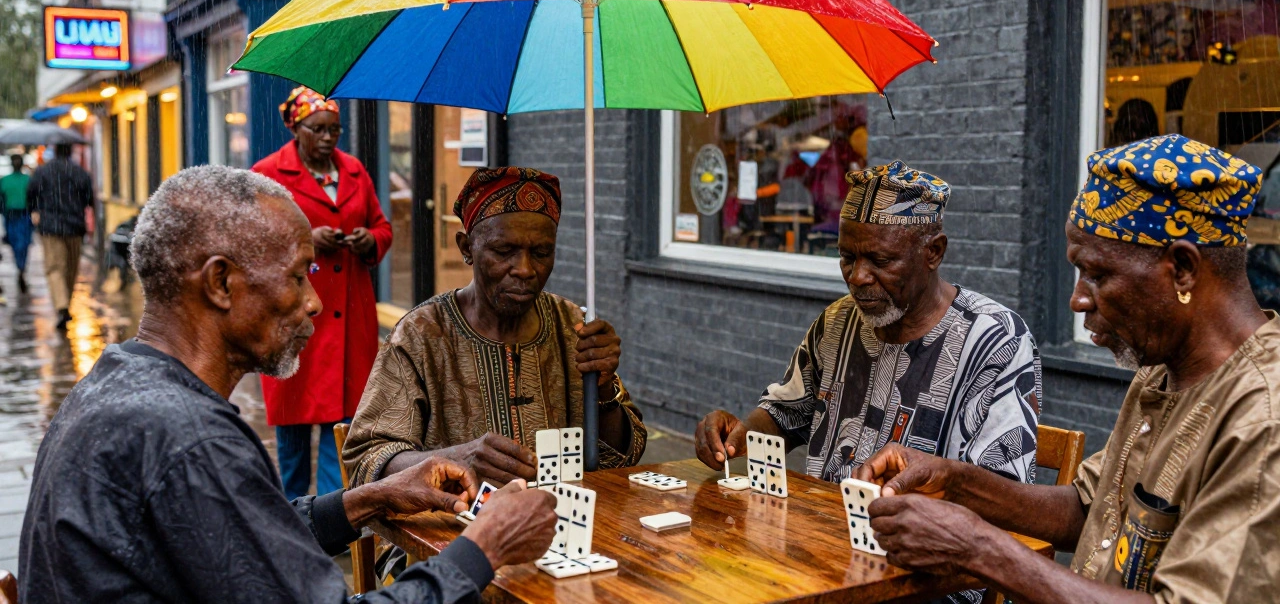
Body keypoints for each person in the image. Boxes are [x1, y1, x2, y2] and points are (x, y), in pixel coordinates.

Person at [19, 166, 557, 603]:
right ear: (220, 282)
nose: (314, 302)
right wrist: (485, 548)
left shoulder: (119, 381)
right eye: (299, 276)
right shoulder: (190, 439)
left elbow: (239, 540)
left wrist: (367, 499)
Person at [855, 135, 1279, 603]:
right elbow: (1090, 508)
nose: (1077, 298)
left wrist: (979, 549)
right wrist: (955, 481)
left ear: (1181, 268)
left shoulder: (1264, 420)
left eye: (1097, 274)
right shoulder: (1163, 371)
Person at [695, 160, 1042, 484]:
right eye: (847, 257)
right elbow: (786, 416)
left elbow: (1005, 492)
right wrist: (739, 434)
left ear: (933, 252)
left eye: (880, 260)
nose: (858, 277)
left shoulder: (997, 341)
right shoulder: (837, 321)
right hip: (825, 533)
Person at [344, 166, 647, 488]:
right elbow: (367, 460)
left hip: (562, 526)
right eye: (504, 251)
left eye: (542, 253)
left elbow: (624, 458)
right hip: (447, 530)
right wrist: (454, 459)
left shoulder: (573, 327)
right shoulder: (422, 334)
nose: (525, 269)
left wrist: (602, 390)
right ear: (466, 248)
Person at [252, 86, 393, 500]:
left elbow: (382, 226)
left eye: (335, 129)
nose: (329, 138)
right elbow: (253, 242)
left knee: (343, 432)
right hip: (294, 316)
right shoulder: (268, 173)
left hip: (350, 319)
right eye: (318, 129)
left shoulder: (353, 170)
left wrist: (371, 241)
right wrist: (305, 241)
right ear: (296, 128)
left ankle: (332, 520)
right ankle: (291, 517)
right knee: (293, 440)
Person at [27, 143, 93, 328]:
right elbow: (89, 199)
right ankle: (65, 305)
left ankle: (62, 306)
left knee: (55, 267)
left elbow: (31, 194)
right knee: (70, 268)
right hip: (74, 227)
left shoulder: (43, 171)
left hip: (50, 227)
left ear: (55, 151)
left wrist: (35, 210)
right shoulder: (80, 172)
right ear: (70, 151)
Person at [0, 153, 32, 298]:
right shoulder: (5, 181)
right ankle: (21, 268)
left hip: (22, 216)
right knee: (18, 244)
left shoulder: (28, 180)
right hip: (12, 216)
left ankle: (21, 268)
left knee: (22, 244)